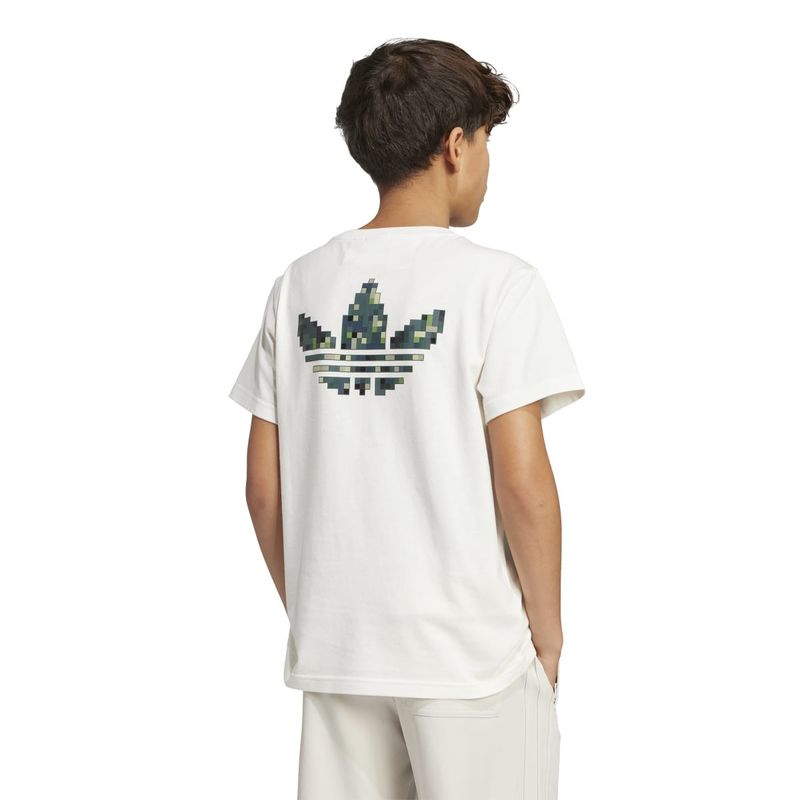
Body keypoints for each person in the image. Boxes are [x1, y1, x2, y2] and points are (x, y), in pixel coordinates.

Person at [229, 37, 586, 800]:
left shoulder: (298, 287)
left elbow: (263, 490)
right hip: (472, 658)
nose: (485, 163)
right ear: (455, 146)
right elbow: (523, 485)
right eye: (485, 142)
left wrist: (323, 612)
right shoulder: (500, 286)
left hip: (340, 656)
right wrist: (548, 636)